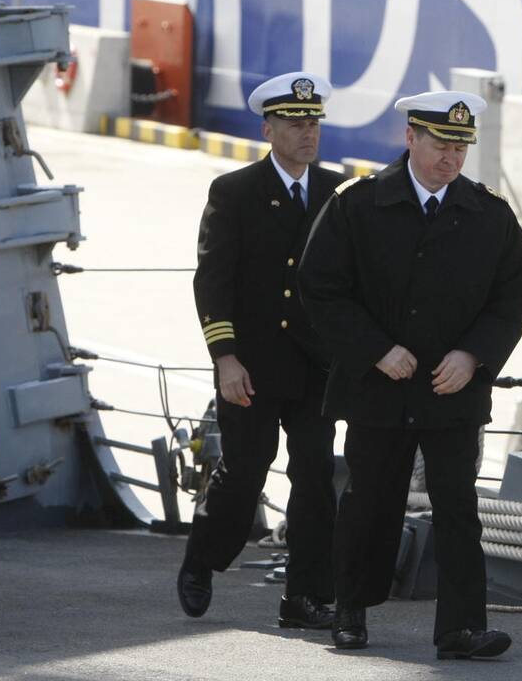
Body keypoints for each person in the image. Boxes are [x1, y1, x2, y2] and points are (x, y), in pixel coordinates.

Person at [299, 91, 522, 659]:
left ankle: (461, 628)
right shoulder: (357, 204)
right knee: (368, 504)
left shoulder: (489, 214)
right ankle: (350, 611)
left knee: (458, 509)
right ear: (410, 138)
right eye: (440, 145)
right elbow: (321, 286)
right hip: (378, 387)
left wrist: (473, 355)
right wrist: (375, 350)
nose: (451, 158)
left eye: (461, 147)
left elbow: (512, 295)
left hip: (452, 390)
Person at [177, 72, 345, 631]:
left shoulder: (337, 192)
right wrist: (224, 357)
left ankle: (305, 596)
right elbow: (213, 281)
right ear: (268, 129)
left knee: (316, 476)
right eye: (295, 124)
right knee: (245, 471)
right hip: (251, 365)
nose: (308, 133)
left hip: (314, 365)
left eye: (314, 122)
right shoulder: (235, 191)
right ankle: (203, 557)